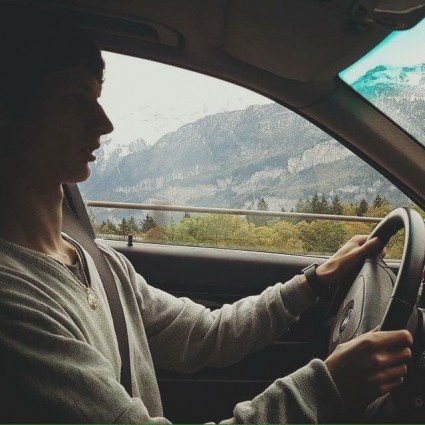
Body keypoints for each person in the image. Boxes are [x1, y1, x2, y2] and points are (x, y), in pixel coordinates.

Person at [0, 5, 412, 424]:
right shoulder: (14, 305)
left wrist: (312, 282)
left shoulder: (101, 261)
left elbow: (208, 335)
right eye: (73, 100)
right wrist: (328, 388)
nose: (104, 124)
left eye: (96, 99)